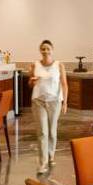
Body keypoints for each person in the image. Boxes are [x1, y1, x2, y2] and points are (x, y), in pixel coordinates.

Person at [29, 40, 68, 174]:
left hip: (54, 102)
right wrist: (32, 81)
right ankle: (43, 163)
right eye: (43, 49)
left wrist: (65, 102)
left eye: (48, 49)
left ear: (52, 50)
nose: (45, 51)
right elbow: (30, 83)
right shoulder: (35, 65)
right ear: (40, 50)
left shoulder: (59, 65)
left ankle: (51, 155)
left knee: (52, 131)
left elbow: (64, 84)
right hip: (38, 101)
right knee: (42, 132)